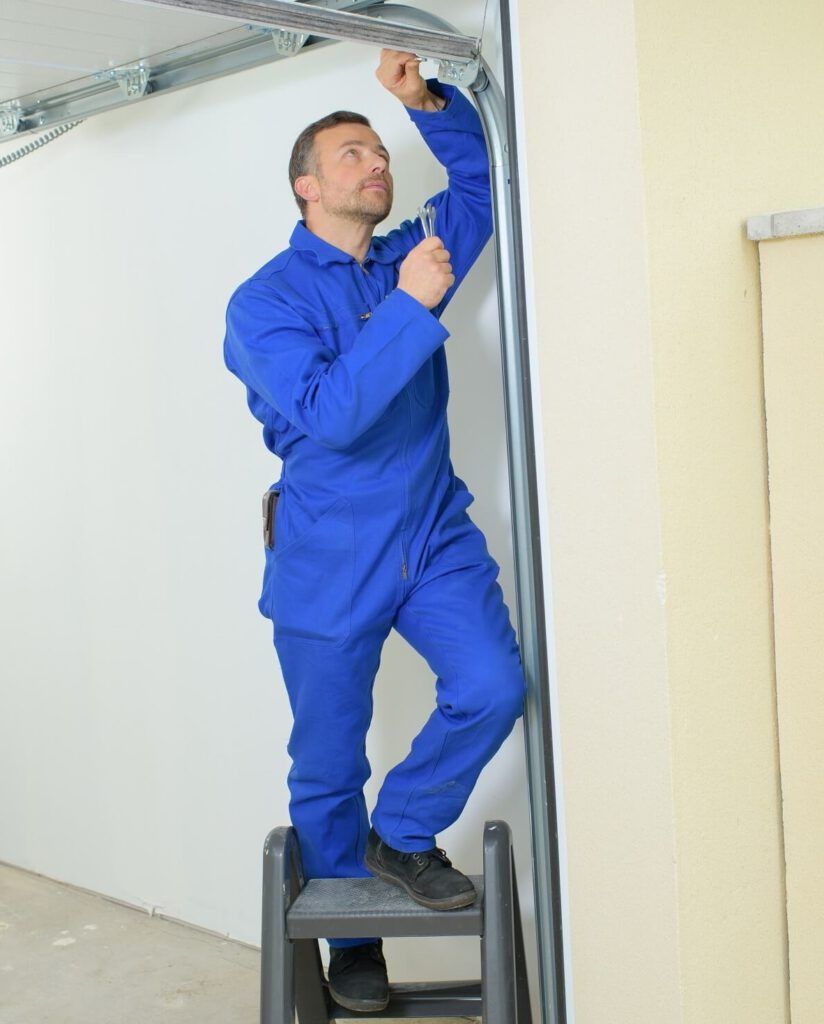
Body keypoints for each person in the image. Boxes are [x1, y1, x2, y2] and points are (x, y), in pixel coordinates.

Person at [223, 48, 527, 1013]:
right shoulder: (263, 302)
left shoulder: (412, 252)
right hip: (327, 550)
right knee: (326, 764)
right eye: (354, 154)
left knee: (492, 683)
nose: (376, 165)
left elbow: (481, 183)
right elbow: (334, 413)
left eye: (380, 154)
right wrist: (409, 306)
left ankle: (402, 832)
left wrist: (426, 101)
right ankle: (352, 943)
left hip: (432, 531)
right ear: (308, 187)